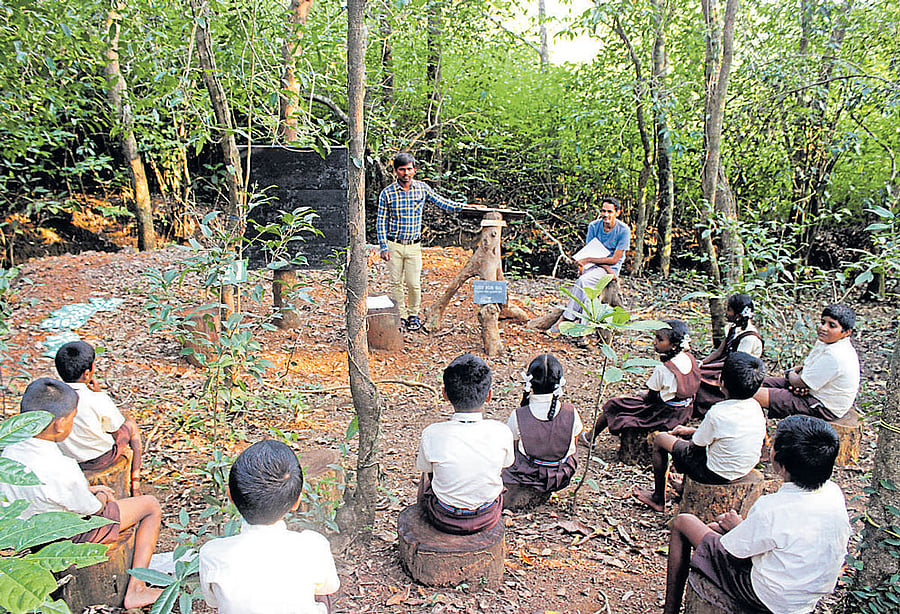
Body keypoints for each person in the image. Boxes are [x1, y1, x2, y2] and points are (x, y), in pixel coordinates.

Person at [661, 415, 850, 614]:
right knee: (716, 531)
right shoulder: (834, 494)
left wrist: (737, 527)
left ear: (781, 464)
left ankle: (670, 610)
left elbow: (734, 551)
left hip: (767, 597)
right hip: (805, 599)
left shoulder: (772, 508)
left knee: (684, 522)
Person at [0, 378, 162, 609]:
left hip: (19, 535)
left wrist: (89, 489)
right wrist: (103, 495)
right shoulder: (62, 466)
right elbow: (94, 510)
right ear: (59, 424)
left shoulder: (9, 450)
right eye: (73, 418)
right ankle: (137, 588)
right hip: (61, 535)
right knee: (150, 506)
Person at [199, 440, 339, 614]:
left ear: (231, 497)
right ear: (297, 501)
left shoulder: (211, 553)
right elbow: (329, 587)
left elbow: (213, 602)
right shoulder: (313, 545)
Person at [633, 352, 767, 513]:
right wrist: (690, 431)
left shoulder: (718, 413)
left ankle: (658, 498)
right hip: (744, 468)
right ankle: (683, 487)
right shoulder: (755, 407)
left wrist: (682, 438)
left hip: (714, 474)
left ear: (721, 382)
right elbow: (724, 435)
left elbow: (696, 446)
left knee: (661, 439)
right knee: (687, 443)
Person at [416, 353, 514, 534]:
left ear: (445, 394)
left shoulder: (432, 433)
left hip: (443, 516)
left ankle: (426, 516)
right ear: (489, 395)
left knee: (427, 476)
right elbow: (506, 465)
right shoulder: (501, 432)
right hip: (487, 515)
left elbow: (426, 470)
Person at [377, 152, 468, 332]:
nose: (406, 173)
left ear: (414, 170)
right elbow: (381, 221)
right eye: (402, 169)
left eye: (409, 169)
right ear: (396, 171)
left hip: (414, 245)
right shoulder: (387, 193)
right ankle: (400, 316)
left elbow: (442, 202)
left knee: (413, 283)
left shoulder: (422, 189)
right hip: (394, 244)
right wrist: (383, 246)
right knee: (396, 283)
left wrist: (464, 208)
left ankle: (413, 315)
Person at [580, 320, 701, 445]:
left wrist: (643, 394)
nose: (654, 341)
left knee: (614, 404)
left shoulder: (663, 369)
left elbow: (651, 398)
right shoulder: (689, 358)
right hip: (684, 410)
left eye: (660, 339)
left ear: (674, 345)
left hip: (663, 414)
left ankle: (590, 437)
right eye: (655, 337)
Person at [55, 340, 144, 495]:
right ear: (87, 373)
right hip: (99, 460)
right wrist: (98, 393)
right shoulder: (96, 399)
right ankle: (135, 485)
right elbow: (115, 428)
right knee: (131, 425)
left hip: (67, 458)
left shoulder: (53, 397)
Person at [754, 304, 859, 420]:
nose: (824, 328)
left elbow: (800, 382)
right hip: (812, 391)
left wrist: (791, 373)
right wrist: (799, 382)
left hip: (824, 406)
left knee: (750, 394)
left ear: (846, 332)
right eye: (823, 322)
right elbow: (806, 372)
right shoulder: (827, 342)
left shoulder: (836, 354)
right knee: (754, 383)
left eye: (832, 326)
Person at [502, 354, 583, 498]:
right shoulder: (571, 412)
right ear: (559, 382)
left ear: (530, 382)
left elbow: (511, 448)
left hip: (528, 475)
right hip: (562, 474)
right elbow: (573, 445)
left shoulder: (518, 415)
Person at [549, 197, 630, 336]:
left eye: (610, 211)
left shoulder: (623, 230)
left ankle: (567, 318)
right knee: (587, 291)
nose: (606, 215)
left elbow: (615, 259)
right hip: (595, 265)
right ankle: (581, 330)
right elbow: (591, 249)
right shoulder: (594, 226)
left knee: (583, 282)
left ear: (617, 213)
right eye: (603, 211)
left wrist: (592, 261)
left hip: (610, 267)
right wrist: (592, 261)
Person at [693, 294, 764, 417]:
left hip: (736, 372)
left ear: (738, 315)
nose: (726, 313)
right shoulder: (734, 328)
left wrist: (707, 369)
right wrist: (703, 362)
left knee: (701, 377)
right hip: (725, 364)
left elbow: (738, 365)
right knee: (696, 369)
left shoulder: (749, 338)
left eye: (729, 310)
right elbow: (720, 351)